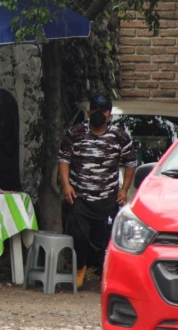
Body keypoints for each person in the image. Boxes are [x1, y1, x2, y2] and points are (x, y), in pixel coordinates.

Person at [57, 95, 137, 288]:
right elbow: (64, 159)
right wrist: (66, 184)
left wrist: (124, 189)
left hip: (108, 198)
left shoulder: (120, 136)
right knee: (79, 236)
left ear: (109, 114)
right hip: (80, 196)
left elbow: (131, 163)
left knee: (106, 240)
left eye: (103, 110)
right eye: (95, 109)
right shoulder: (74, 133)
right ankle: (80, 268)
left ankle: (107, 275)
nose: (98, 113)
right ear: (90, 111)